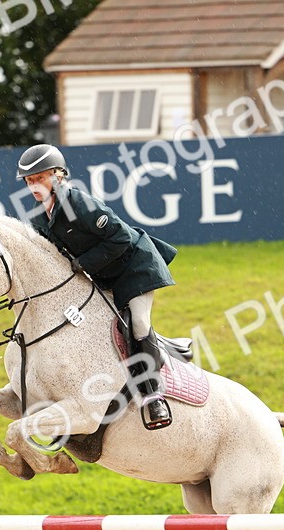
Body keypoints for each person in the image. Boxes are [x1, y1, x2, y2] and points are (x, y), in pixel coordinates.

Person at [16, 143, 176, 430]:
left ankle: (153, 394)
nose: (34, 185)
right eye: (29, 181)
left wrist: (83, 263)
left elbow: (120, 238)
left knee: (138, 323)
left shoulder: (81, 203)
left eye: (40, 178)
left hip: (134, 268)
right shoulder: (39, 219)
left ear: (58, 175)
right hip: (103, 275)